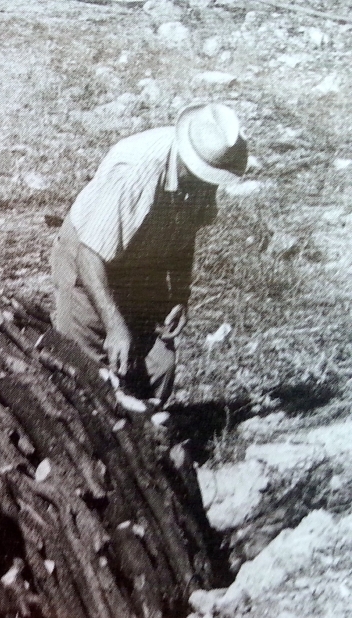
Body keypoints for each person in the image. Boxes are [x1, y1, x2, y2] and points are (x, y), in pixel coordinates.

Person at [51, 102, 248, 405]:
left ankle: (149, 434)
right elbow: (89, 256)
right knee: (87, 366)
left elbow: (186, 232)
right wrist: (115, 328)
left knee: (158, 364)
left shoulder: (203, 176)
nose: (210, 188)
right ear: (188, 162)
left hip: (143, 261)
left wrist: (180, 294)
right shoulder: (137, 173)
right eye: (205, 177)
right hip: (89, 257)